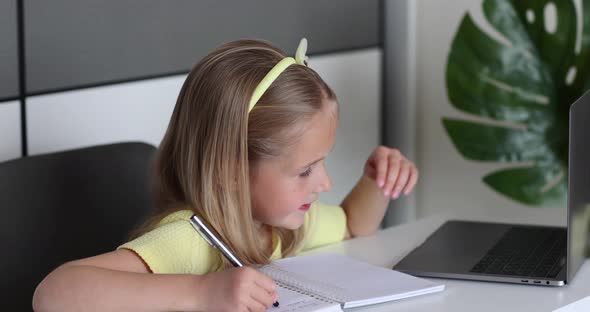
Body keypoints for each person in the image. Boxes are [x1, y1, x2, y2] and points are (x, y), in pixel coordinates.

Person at [32, 38, 418, 312]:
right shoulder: (189, 239)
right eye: (305, 170)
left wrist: (377, 181)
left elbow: (352, 226)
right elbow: (53, 294)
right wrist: (202, 292)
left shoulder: (285, 225)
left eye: (322, 163)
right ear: (231, 171)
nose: (325, 184)